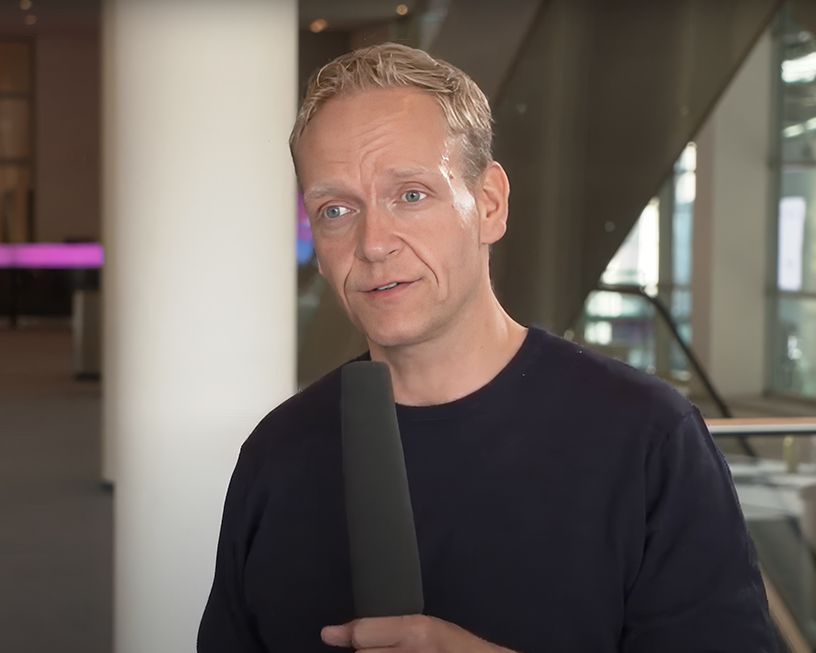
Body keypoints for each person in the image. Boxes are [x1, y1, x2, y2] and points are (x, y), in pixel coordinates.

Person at [198, 43, 777, 652]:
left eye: (412, 195)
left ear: (491, 204)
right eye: (336, 209)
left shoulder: (648, 437)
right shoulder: (278, 451)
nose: (372, 243)